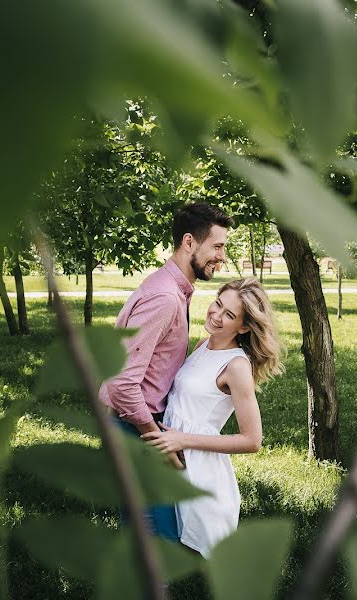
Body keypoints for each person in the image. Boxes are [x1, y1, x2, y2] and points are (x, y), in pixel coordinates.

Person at [99, 202, 233, 540]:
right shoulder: (165, 298)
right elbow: (122, 384)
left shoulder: (173, 289)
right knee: (158, 538)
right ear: (190, 242)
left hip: (130, 425)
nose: (223, 256)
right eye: (217, 246)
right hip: (134, 427)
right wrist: (160, 440)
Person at [141, 278, 282, 557]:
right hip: (171, 457)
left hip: (200, 470)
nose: (216, 315)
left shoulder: (237, 366)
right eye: (218, 304)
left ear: (243, 327)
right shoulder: (202, 344)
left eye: (229, 315)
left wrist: (181, 439)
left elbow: (252, 440)